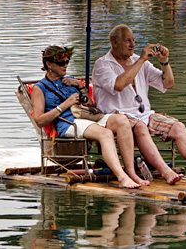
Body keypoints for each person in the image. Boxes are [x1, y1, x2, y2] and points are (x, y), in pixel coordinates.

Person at [92, 25, 186, 182]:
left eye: (134, 40)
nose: (132, 44)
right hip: (117, 117)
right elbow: (119, 85)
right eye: (128, 41)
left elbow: (167, 84)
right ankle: (166, 172)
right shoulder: (102, 64)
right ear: (114, 42)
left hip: (144, 115)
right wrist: (142, 59)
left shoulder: (138, 61)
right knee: (140, 127)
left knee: (178, 127)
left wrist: (164, 62)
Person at [31, 45, 148, 189]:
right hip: (68, 123)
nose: (65, 65)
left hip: (88, 117)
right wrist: (64, 105)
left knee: (122, 120)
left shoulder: (70, 81)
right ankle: (122, 177)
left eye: (67, 62)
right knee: (105, 133)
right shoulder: (40, 88)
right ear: (49, 64)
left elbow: (90, 105)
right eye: (61, 63)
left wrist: (80, 87)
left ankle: (131, 172)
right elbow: (39, 120)